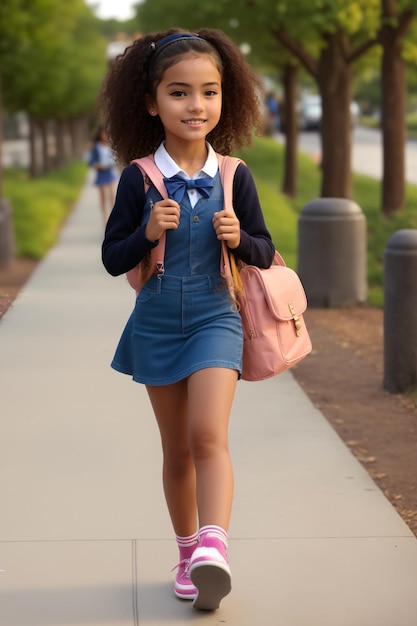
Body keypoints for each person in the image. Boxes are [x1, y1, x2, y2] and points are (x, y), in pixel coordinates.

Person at [100, 28, 275, 611]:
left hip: (214, 317)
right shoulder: (137, 179)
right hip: (155, 320)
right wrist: (145, 233)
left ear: (225, 99)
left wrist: (241, 237)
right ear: (151, 102)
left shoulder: (234, 176)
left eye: (209, 92)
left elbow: (265, 250)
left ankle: (214, 550)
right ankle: (186, 554)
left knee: (208, 434)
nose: (195, 105)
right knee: (176, 450)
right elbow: (112, 258)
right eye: (179, 93)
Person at [89, 126, 117, 226]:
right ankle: (105, 219)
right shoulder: (97, 147)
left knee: (112, 196)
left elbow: (115, 159)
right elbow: (91, 161)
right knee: (103, 197)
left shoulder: (111, 146)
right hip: (101, 173)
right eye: (103, 134)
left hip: (110, 172)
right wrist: (98, 165)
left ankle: (114, 218)